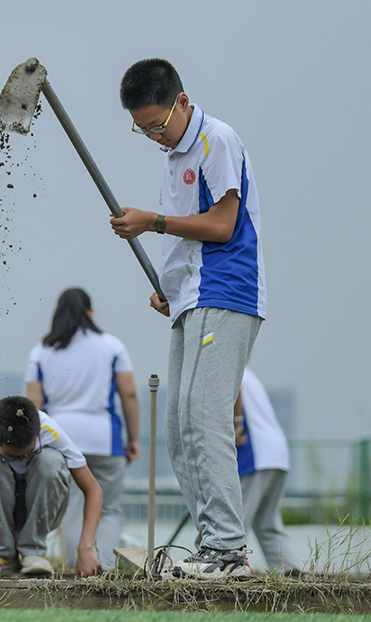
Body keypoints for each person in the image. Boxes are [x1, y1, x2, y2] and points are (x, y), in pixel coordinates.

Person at [110, 59, 265, 579]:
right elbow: (189, 236)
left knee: (203, 416)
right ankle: (211, 547)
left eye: (157, 123)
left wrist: (151, 221)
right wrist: (169, 290)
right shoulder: (173, 155)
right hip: (192, 299)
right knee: (179, 428)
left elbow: (222, 225)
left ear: (181, 101)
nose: (153, 135)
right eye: (143, 128)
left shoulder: (215, 140)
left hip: (226, 292)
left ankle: (227, 550)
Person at [25, 287, 139, 570]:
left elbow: (33, 404)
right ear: (91, 313)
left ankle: (80, 566)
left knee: (74, 507)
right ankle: (107, 569)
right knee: (110, 508)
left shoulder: (41, 351)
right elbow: (130, 395)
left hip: (61, 439)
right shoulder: (113, 346)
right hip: (105, 438)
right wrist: (134, 438)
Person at [0, 396, 103, 578]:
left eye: (26, 453)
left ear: (38, 433)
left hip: (39, 507)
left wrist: (85, 548)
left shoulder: (50, 429)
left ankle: (33, 551)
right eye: (12, 456)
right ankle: (1, 553)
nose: (20, 459)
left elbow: (93, 490)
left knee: (51, 461)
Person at [235, 367, 301, 574]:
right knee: (267, 522)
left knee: (236, 521)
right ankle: (289, 571)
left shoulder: (230, 367)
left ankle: (229, 571)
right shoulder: (248, 373)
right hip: (277, 454)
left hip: (256, 456)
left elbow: (235, 391)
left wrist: (235, 425)